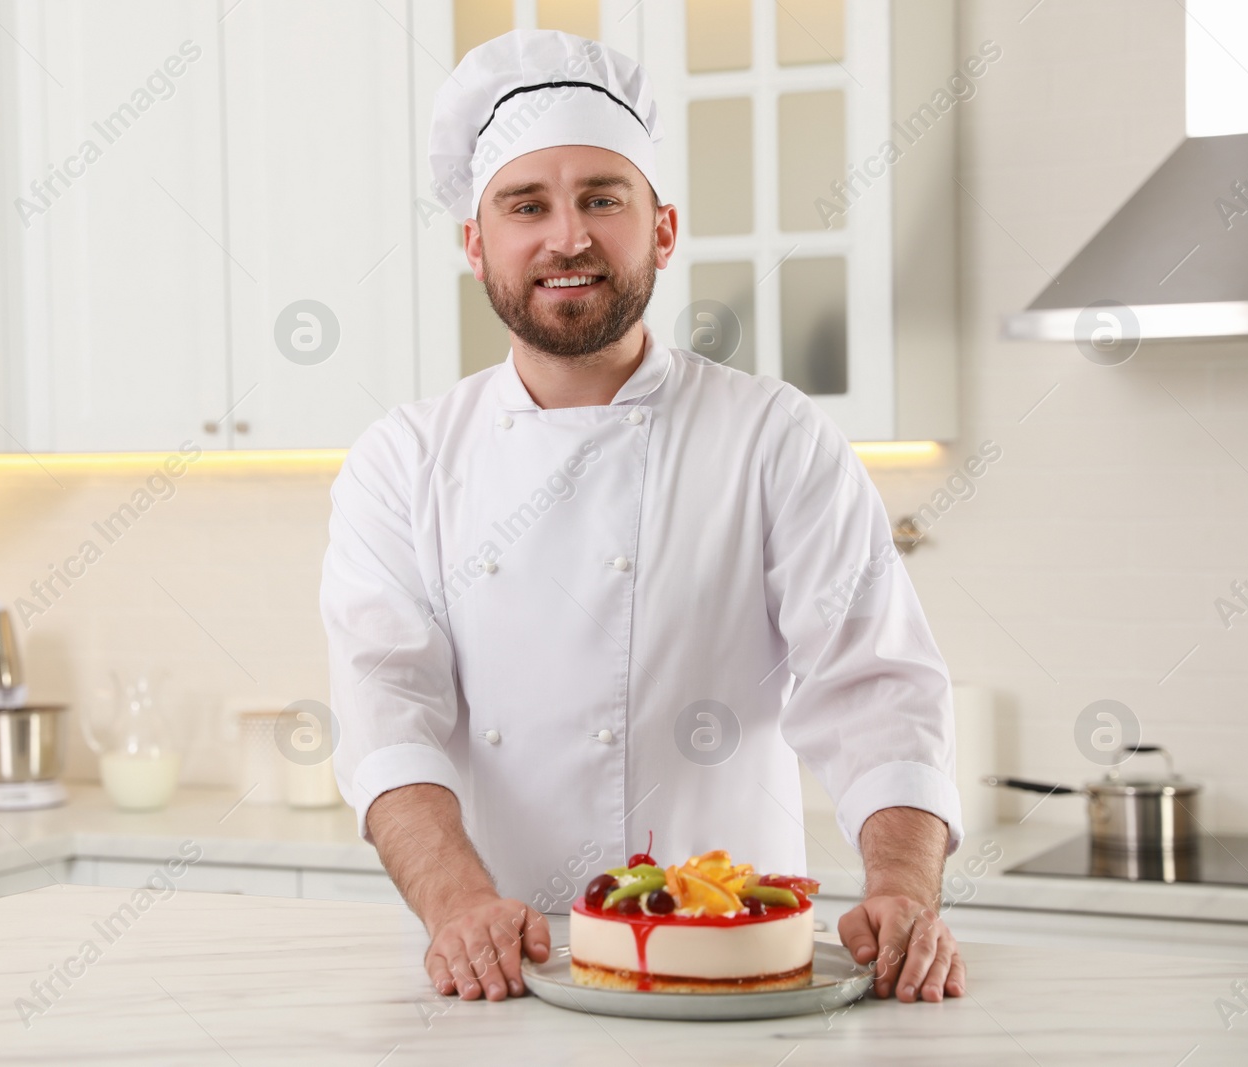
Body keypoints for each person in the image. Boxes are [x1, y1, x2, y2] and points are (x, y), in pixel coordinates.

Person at [320, 29, 965, 1006]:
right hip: (502, 977)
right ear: (474, 242)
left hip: (738, 976)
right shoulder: (402, 460)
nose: (566, 237)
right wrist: (459, 908)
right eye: (525, 205)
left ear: (661, 229)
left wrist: (902, 888)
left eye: (601, 199)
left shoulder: (773, 437)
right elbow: (385, 709)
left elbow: (873, 685)